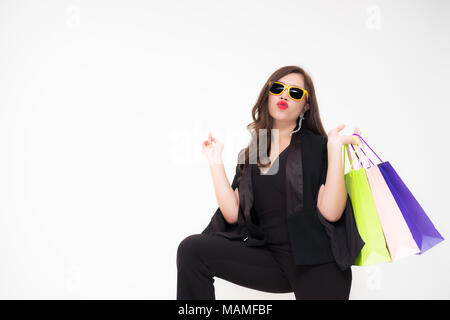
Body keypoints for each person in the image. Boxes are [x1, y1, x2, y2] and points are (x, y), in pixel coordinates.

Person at [176, 65, 364, 300]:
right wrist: (215, 161)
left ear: (305, 105)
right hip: (270, 259)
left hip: (317, 262)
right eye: (278, 88)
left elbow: (332, 212)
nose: (285, 95)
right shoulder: (256, 151)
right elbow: (233, 213)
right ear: (268, 94)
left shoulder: (316, 146)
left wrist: (334, 149)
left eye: (295, 92)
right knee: (192, 250)